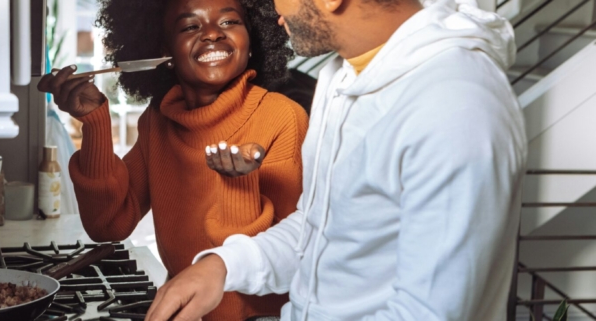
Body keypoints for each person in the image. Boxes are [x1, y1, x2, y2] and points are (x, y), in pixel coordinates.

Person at [145, 0, 528, 318]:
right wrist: (225, 266)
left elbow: (427, 312)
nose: (275, 12)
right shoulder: (340, 77)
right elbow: (323, 226)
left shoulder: (456, 106)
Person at [36, 0, 309, 319]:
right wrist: (95, 123)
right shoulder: (159, 120)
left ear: (252, 41)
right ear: (164, 52)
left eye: (229, 23)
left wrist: (239, 185)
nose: (212, 35)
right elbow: (109, 224)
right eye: (191, 26)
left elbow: (293, 253)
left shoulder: (282, 117)